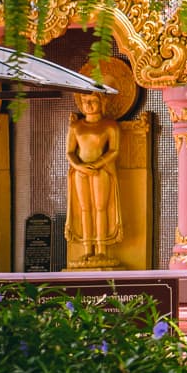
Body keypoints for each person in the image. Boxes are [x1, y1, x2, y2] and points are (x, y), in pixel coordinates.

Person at [65, 92, 123, 259]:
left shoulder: (110, 126)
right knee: (84, 208)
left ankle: (101, 249)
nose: (88, 105)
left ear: (102, 102)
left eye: (92, 101)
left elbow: (114, 150)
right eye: (84, 101)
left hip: (101, 170)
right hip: (80, 171)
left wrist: (97, 164)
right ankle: (87, 249)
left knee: (100, 208)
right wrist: (79, 166)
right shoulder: (75, 127)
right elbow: (70, 152)